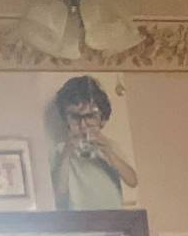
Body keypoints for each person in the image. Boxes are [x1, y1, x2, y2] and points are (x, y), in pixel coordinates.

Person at [50, 75, 137, 212]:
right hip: (81, 218)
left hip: (114, 215)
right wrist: (67, 153)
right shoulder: (60, 150)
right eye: (75, 118)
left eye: (90, 117)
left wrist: (109, 153)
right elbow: (59, 192)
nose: (83, 125)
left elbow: (132, 181)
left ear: (102, 118)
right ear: (65, 119)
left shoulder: (110, 145)